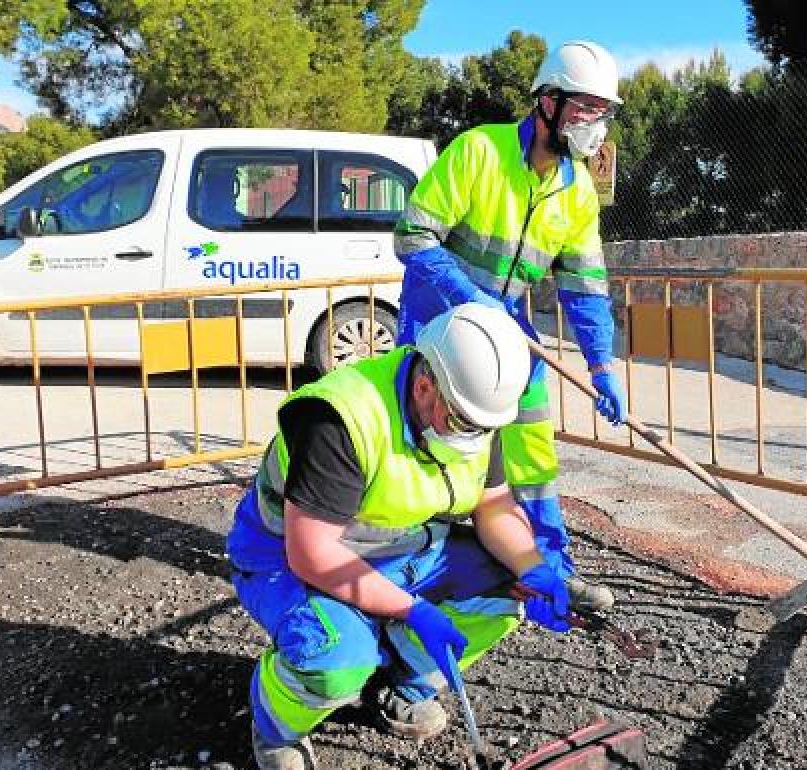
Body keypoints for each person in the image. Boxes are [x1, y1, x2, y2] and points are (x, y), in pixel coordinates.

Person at [226, 304, 575, 770]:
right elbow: (313, 554)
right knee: (335, 660)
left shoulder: (471, 408)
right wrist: (411, 609)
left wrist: (533, 567)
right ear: (425, 386)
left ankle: (398, 683)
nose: (475, 439)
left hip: (402, 550)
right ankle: (276, 723)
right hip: (290, 562)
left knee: (507, 592)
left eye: (485, 429)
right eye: (465, 424)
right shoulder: (340, 419)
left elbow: (492, 504)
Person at [393, 40, 626, 613]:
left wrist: (601, 363)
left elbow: (584, 283)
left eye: (603, 112)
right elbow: (413, 237)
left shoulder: (577, 194)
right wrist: (472, 300)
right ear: (548, 102)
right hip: (436, 330)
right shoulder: (479, 151)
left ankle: (548, 577)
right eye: (584, 108)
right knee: (427, 452)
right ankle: (401, 571)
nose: (593, 124)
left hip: (511, 337)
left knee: (531, 456)